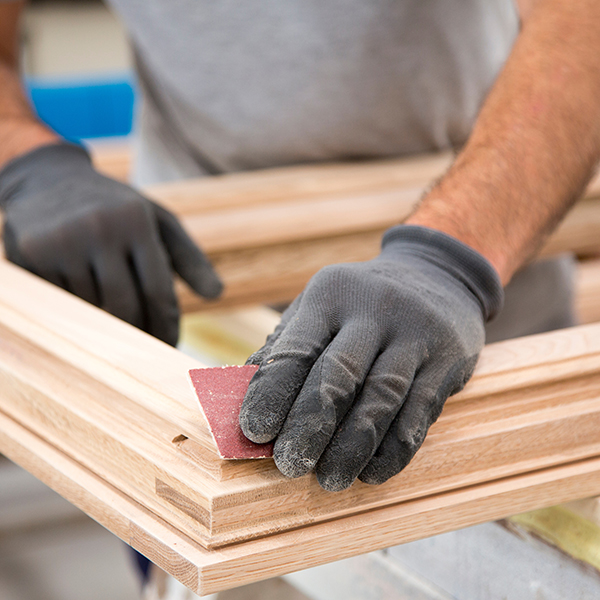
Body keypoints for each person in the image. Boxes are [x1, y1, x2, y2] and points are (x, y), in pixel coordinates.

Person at [0, 0, 598, 494]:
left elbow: (580, 29)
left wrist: (452, 259)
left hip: (473, 299)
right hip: (195, 313)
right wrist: (26, 156)